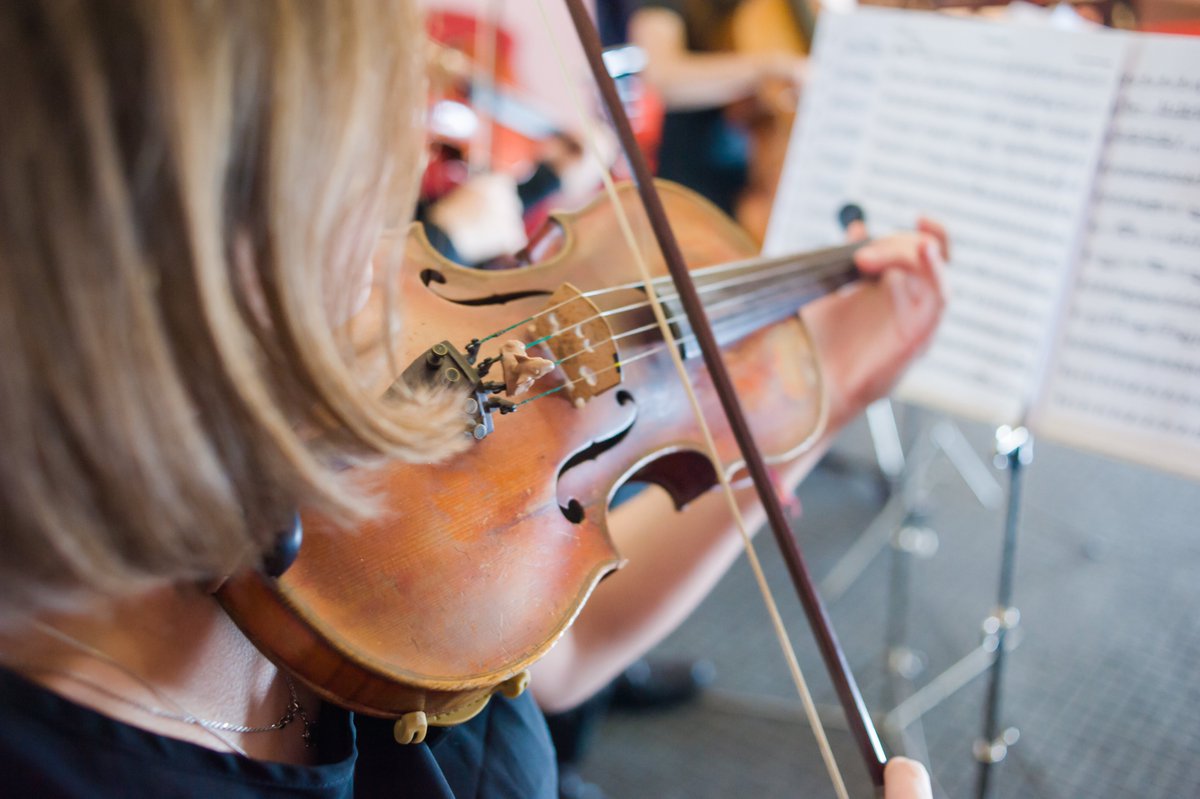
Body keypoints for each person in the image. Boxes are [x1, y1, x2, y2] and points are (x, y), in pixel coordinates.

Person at [0, 2, 941, 797]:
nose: (403, 252)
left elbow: (561, 652)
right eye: (366, 202)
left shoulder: (289, 420)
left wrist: (832, 390)